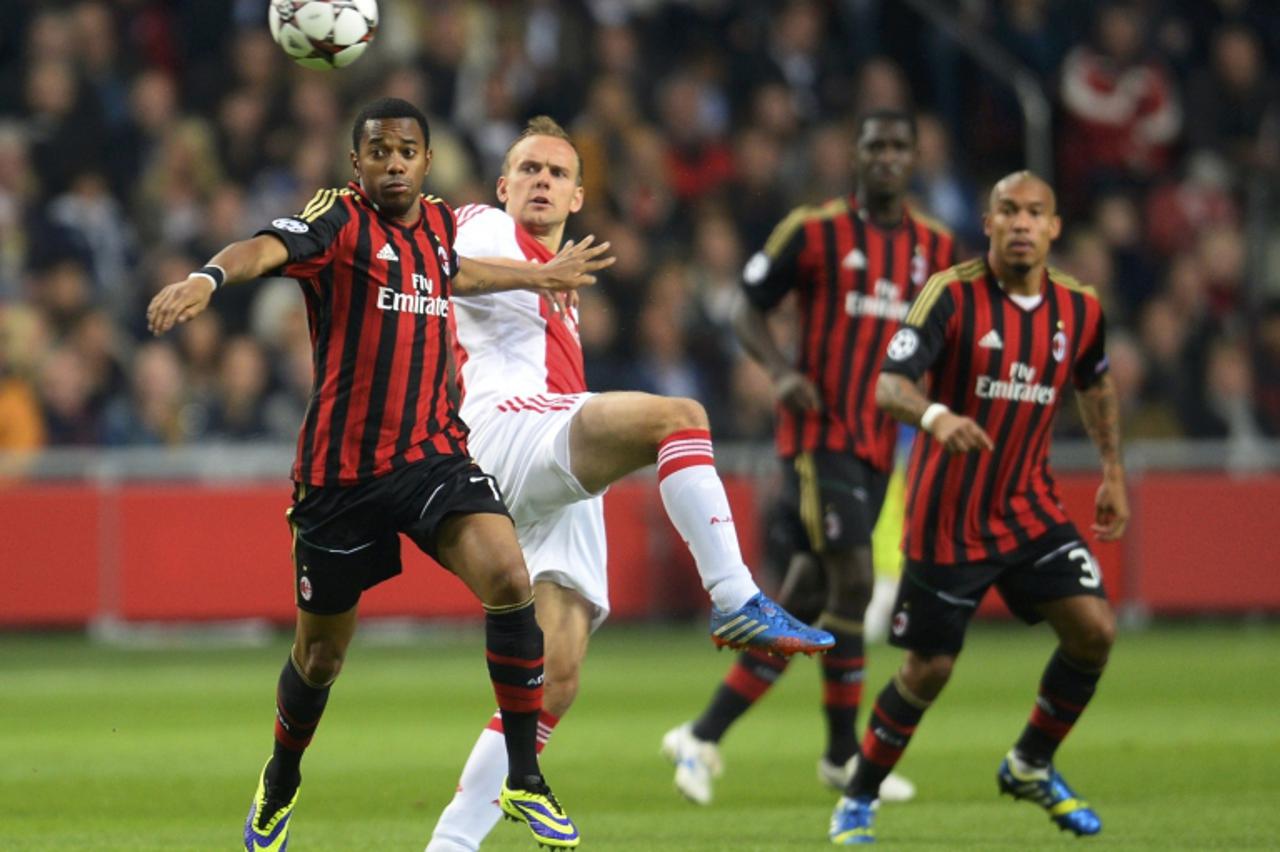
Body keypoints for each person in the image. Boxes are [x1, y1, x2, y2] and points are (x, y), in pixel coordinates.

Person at [146, 98, 614, 852]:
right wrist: (208, 278)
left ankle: (524, 775)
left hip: (430, 456)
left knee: (507, 572)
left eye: (407, 151)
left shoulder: (436, 226)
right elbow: (264, 246)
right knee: (321, 655)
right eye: (378, 152)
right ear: (355, 163)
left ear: (426, 163)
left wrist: (541, 273)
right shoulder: (338, 221)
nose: (392, 162)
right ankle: (282, 778)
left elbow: (459, 270)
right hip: (340, 477)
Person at [425, 116, 834, 852]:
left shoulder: (563, 275)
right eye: (528, 170)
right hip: (508, 430)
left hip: (554, 468)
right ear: (502, 185)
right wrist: (539, 276)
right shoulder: (479, 225)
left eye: (556, 173)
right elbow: (433, 271)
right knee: (680, 417)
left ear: (580, 196)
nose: (541, 181)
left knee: (556, 678)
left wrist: (550, 279)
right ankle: (736, 599)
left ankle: (450, 846)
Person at [662, 109, 957, 806]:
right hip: (818, 438)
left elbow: (948, 338)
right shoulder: (815, 231)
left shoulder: (936, 249)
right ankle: (842, 757)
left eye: (897, 146)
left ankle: (701, 736)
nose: (886, 157)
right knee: (855, 581)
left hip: (882, 441)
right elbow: (746, 306)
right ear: (854, 155)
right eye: (874, 144)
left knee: (806, 600)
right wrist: (779, 371)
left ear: (914, 159)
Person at [828, 170, 1129, 844]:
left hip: (1030, 508)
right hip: (948, 520)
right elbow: (888, 384)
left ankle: (1029, 762)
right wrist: (935, 415)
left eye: (1035, 213)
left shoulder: (1080, 308)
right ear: (988, 223)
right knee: (927, 669)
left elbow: (1096, 382)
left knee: (1095, 630)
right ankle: (859, 795)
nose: (1021, 223)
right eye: (1007, 211)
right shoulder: (952, 295)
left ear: (1054, 228)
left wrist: (1111, 469)